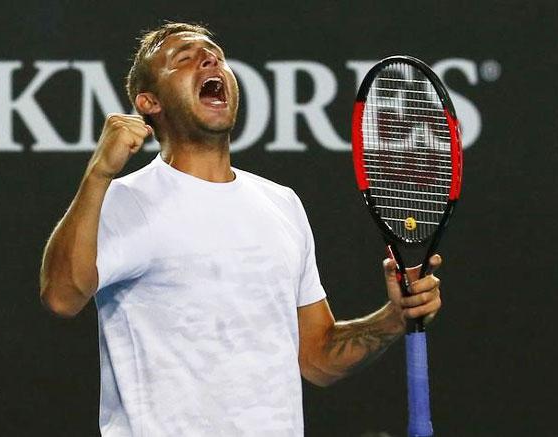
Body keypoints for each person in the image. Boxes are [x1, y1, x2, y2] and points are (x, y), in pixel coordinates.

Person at [39, 22, 442, 436]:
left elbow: (317, 359)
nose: (209, 59)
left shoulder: (281, 204)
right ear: (149, 102)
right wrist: (97, 174)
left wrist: (395, 317)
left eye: (214, 55)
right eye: (184, 58)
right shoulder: (123, 199)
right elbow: (61, 296)